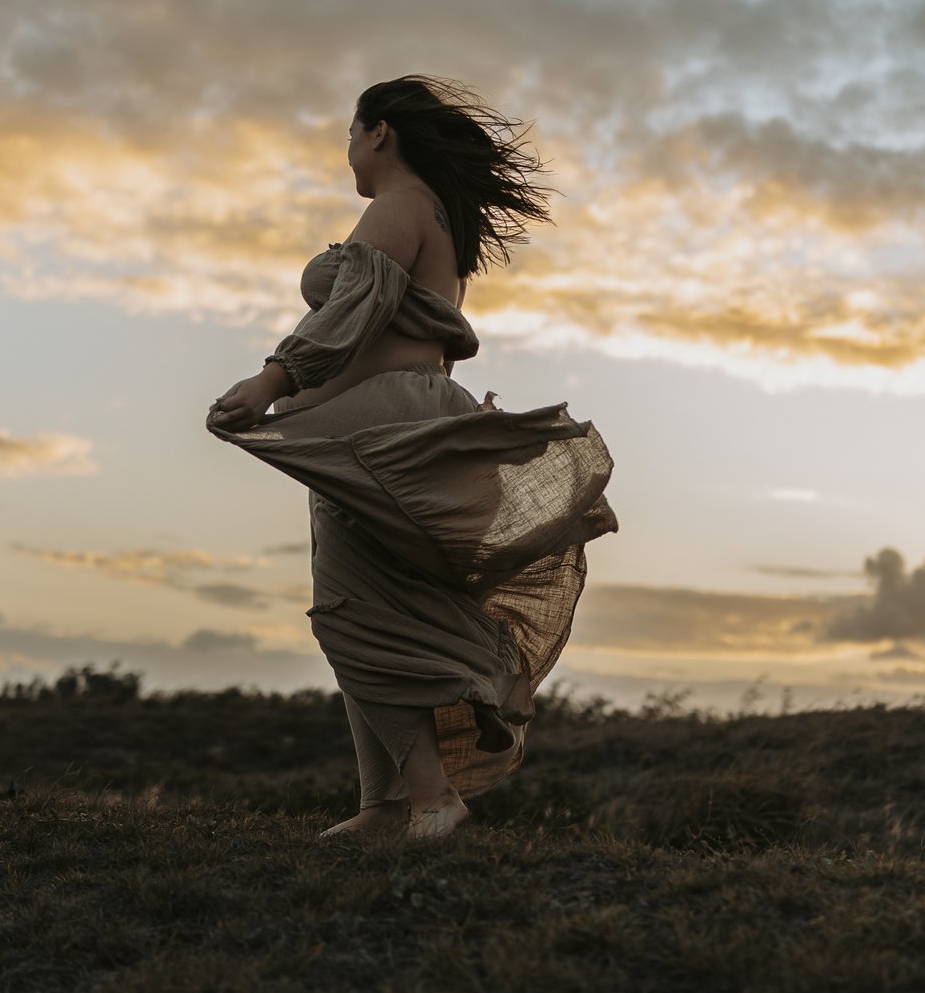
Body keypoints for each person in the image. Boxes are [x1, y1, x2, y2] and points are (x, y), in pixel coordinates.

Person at [206, 76, 618, 840]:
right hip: (380, 432)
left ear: (380, 132)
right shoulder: (435, 216)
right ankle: (383, 805)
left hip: (379, 437)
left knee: (348, 612)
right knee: (371, 606)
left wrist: (270, 381)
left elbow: (351, 309)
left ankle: (430, 795)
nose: (347, 152)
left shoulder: (398, 205)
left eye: (350, 135)